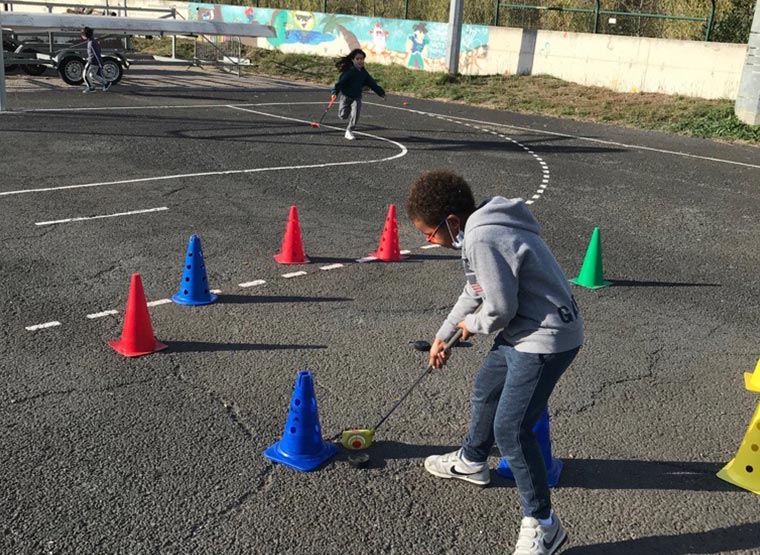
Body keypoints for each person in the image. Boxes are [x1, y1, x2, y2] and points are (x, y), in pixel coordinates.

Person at [405, 170, 584, 555]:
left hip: (545, 338)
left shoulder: (483, 235)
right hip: (525, 331)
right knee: (487, 386)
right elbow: (476, 290)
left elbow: (500, 308)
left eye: (430, 234)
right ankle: (472, 460)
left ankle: (544, 525)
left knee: (512, 429)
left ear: (451, 222)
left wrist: (471, 326)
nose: (430, 241)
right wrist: (445, 332)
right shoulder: (478, 227)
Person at [331, 49, 385, 141]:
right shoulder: (349, 72)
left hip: (357, 97)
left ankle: (349, 131)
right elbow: (339, 83)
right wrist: (334, 92)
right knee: (343, 116)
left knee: (356, 112)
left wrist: (381, 93)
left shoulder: (364, 73)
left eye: (362, 59)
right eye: (357, 59)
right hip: (346, 96)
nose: (360, 61)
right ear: (353, 60)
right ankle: (343, 114)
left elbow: (372, 83)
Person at [81, 27, 111, 93]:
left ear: (86, 35)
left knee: (85, 75)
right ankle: (106, 83)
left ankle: (91, 87)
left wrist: (100, 63)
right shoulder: (92, 41)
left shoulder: (91, 42)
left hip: (92, 62)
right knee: (93, 75)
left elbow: (96, 53)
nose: (82, 35)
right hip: (95, 62)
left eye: (82, 34)